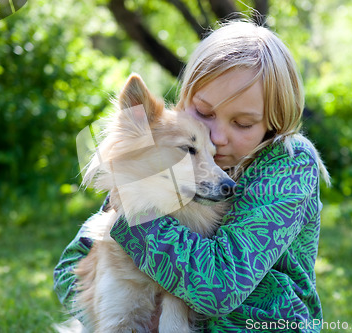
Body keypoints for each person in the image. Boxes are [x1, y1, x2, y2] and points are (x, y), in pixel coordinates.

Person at [54, 19, 331, 333]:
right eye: (204, 112)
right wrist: (116, 302)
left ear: (274, 123)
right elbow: (69, 270)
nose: (216, 136)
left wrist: (136, 211)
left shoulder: (288, 165)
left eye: (242, 123)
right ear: (185, 99)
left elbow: (219, 286)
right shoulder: (166, 151)